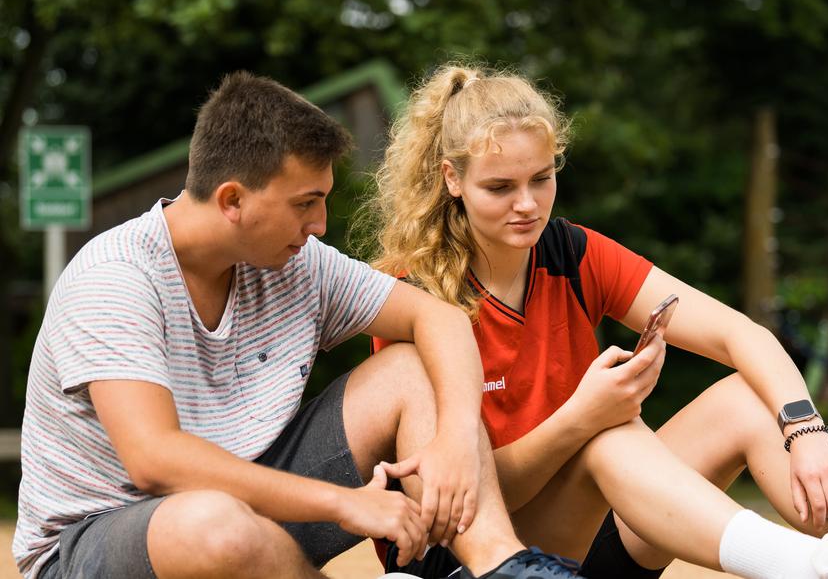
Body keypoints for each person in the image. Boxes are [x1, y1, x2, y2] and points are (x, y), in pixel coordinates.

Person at [358, 63, 828, 579]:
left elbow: (740, 334)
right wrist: (579, 420)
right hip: (476, 558)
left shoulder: (571, 252)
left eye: (542, 178)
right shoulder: (415, 296)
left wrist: (807, 431)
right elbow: (456, 503)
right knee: (605, 438)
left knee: (749, 399)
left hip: (584, 538)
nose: (528, 204)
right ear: (451, 179)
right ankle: (812, 566)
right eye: (500, 187)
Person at [13, 72, 585, 579]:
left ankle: (503, 568)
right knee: (216, 524)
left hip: (251, 501)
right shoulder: (116, 277)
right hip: (98, 542)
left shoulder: (294, 262)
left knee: (410, 368)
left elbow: (437, 317)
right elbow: (155, 460)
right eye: (305, 203)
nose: (320, 224)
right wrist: (344, 504)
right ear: (233, 200)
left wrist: (457, 435)